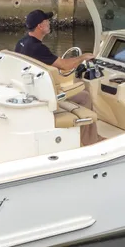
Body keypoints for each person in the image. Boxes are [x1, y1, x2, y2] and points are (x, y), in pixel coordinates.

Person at [14, 9, 100, 146]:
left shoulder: (22, 42)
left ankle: (86, 135)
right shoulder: (37, 48)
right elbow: (65, 66)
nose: (49, 23)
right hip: (43, 95)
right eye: (46, 21)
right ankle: (89, 141)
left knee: (79, 93)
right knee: (84, 96)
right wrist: (84, 57)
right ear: (40, 26)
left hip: (32, 90)